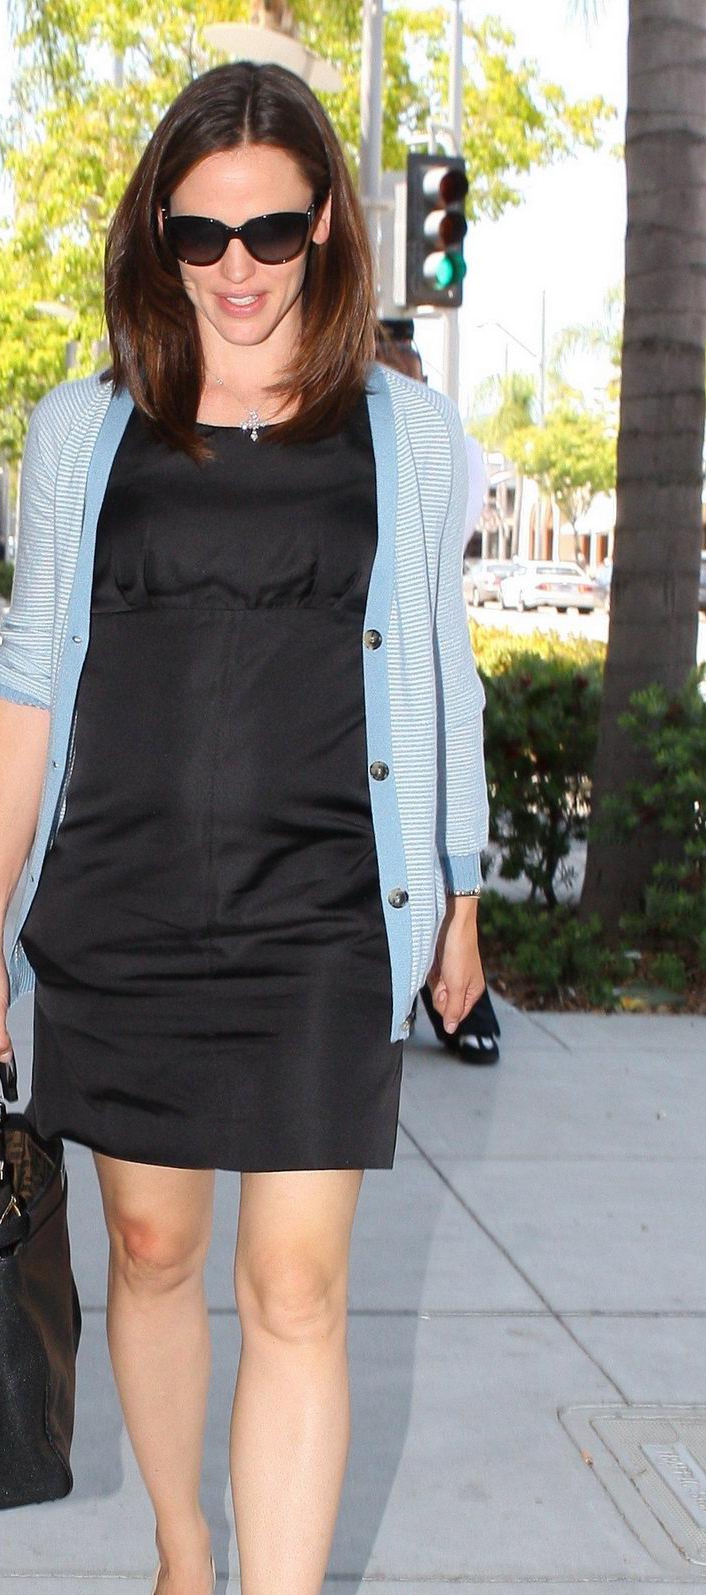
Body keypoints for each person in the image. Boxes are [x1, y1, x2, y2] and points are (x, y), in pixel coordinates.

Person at [0, 62, 487, 1595]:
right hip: (123, 901)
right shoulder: (82, 425)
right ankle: (182, 1548)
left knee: (302, 1286)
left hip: (329, 907)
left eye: (271, 228)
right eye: (202, 233)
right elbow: (30, 677)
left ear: (325, 223)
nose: (239, 266)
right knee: (157, 1257)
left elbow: (447, 665)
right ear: (156, 236)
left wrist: (462, 892)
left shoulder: (405, 433)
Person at [375, 321, 500, 1062]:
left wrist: (463, 902)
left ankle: (447, 977)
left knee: (422, 831)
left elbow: (438, 571)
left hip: (417, 648)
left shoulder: (441, 441)